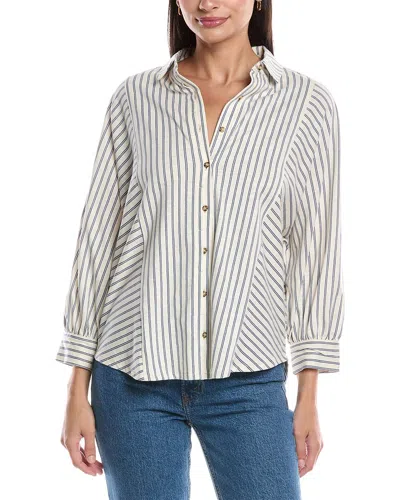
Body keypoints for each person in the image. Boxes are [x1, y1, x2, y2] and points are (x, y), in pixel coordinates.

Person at [57, 1, 345, 498]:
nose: (207, 3)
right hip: (131, 375)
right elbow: (98, 238)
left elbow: (314, 251)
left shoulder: (306, 105)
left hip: (248, 377)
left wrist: (308, 395)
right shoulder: (136, 99)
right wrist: (75, 387)